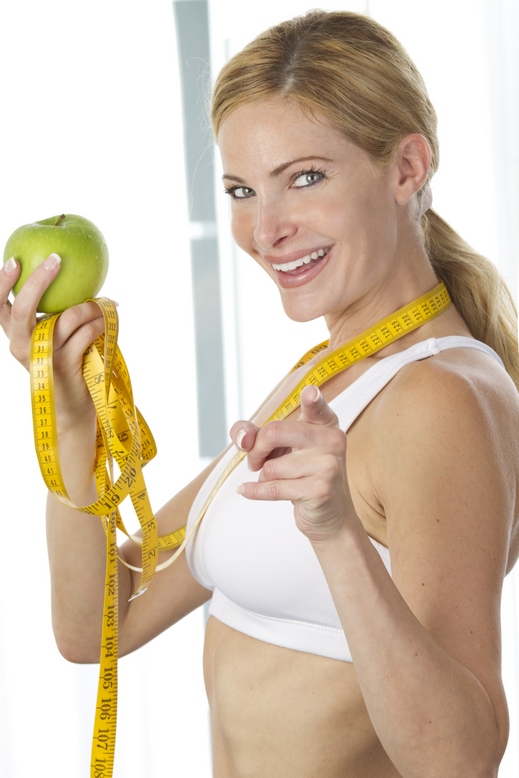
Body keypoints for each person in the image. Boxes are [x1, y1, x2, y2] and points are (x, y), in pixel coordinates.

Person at [1, 9, 518, 777]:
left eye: (304, 178)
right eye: (242, 189)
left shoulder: (438, 396)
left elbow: (459, 761)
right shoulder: (324, 375)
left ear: (406, 168)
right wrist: (72, 418)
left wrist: (336, 535)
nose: (265, 229)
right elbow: (98, 626)